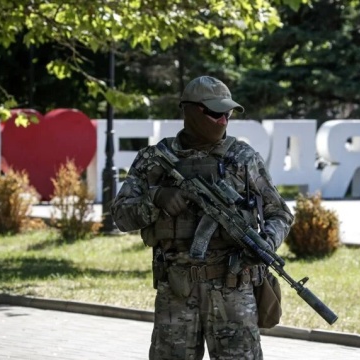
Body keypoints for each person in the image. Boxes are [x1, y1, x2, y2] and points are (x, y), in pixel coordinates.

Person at [111, 75, 294, 360]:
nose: (223, 119)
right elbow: (121, 216)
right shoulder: (154, 160)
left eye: (228, 113)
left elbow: (279, 212)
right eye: (215, 112)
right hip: (177, 293)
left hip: (234, 291)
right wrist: (156, 199)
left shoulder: (243, 158)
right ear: (190, 110)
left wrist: (266, 242)